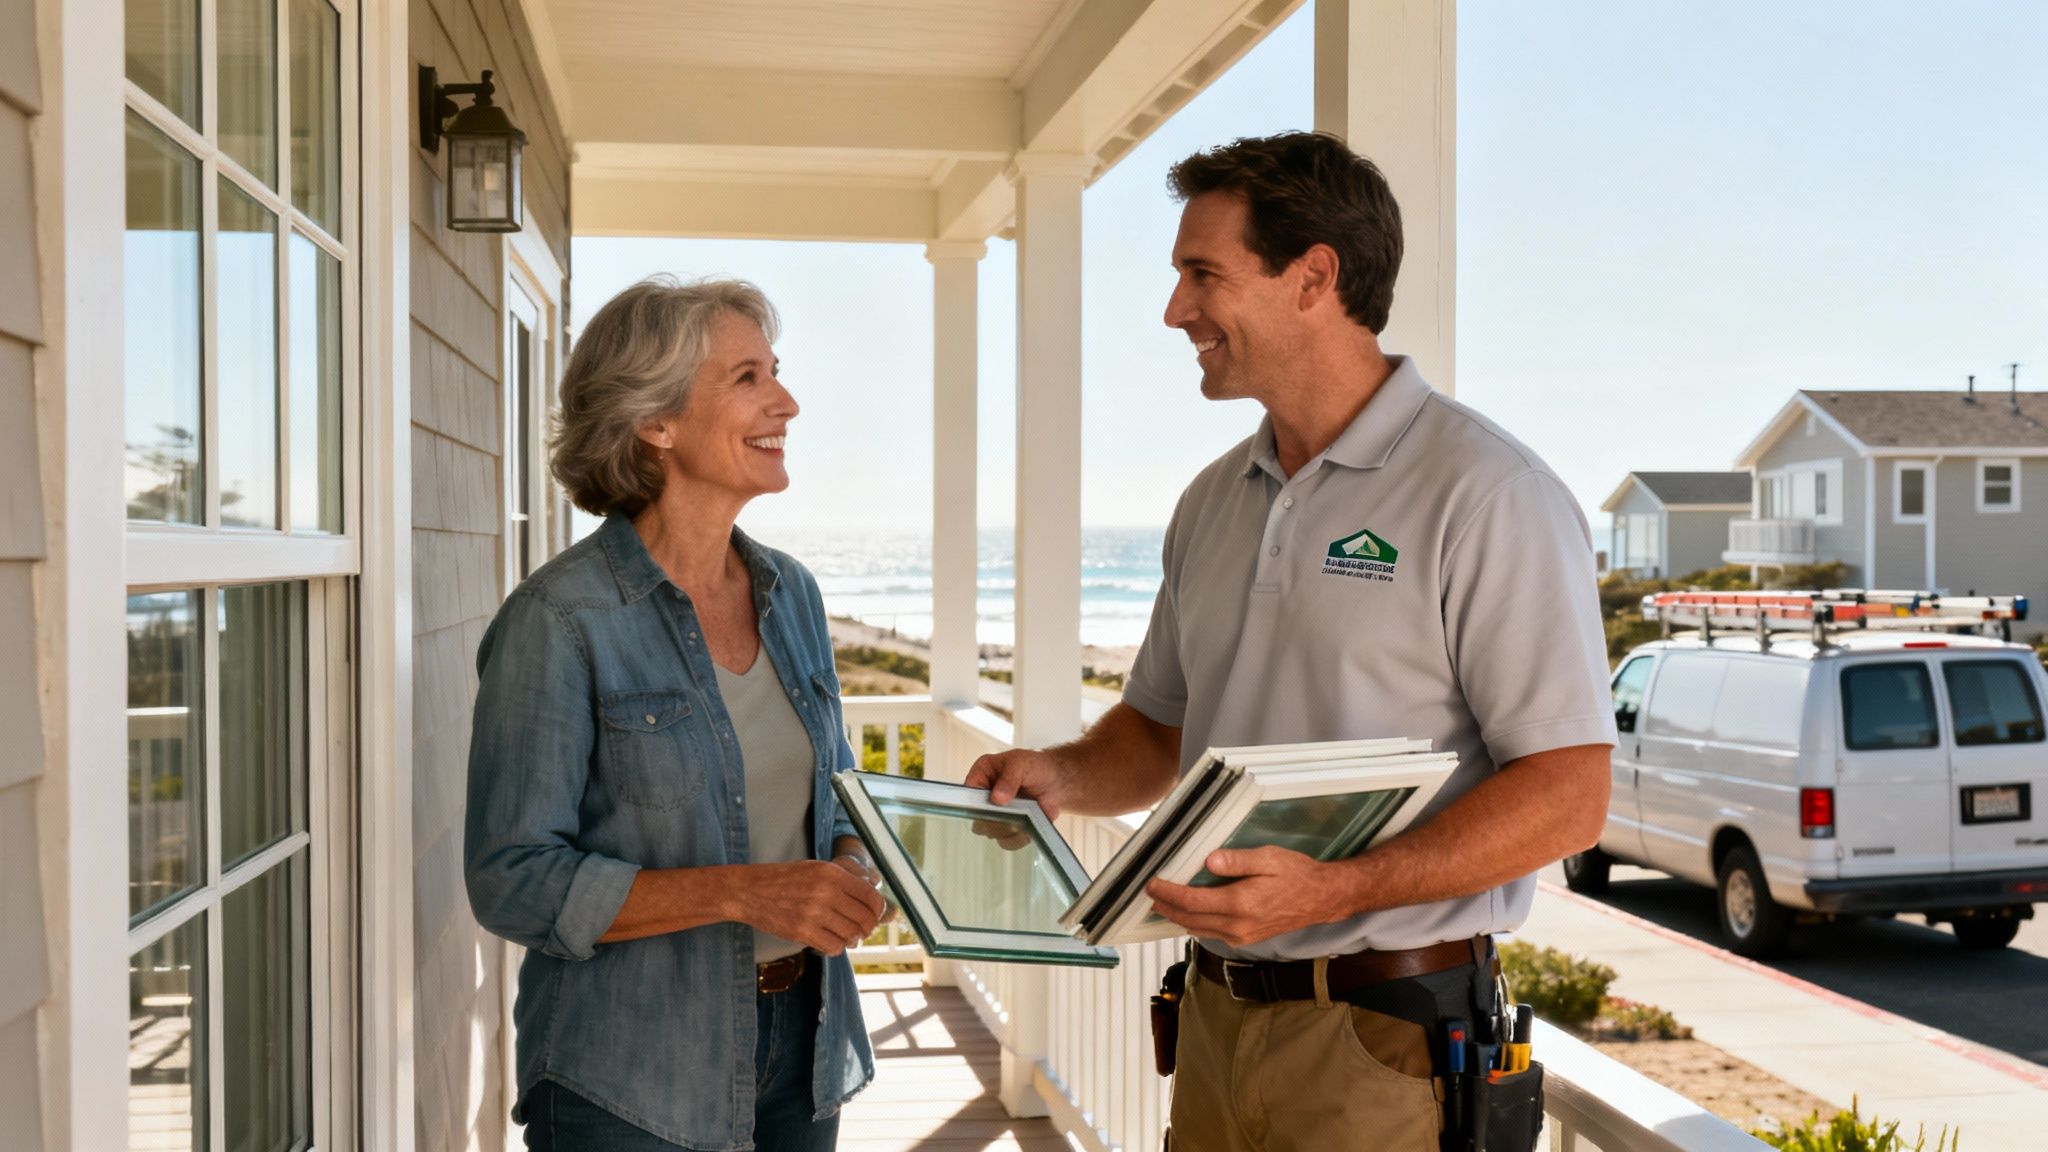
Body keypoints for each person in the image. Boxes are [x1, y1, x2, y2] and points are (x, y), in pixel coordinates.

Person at [967, 132, 1616, 1151]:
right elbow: (1157, 730)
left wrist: (1339, 890)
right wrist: (1055, 774)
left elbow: (1568, 792)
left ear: (1313, 276)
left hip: (1385, 1039)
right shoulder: (1210, 501)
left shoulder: (1488, 494)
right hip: (1215, 1016)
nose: (1176, 309)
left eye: (1201, 274)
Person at [465, 277, 887, 1152]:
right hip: (630, 1077)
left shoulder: (791, 592)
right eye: (747, 378)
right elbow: (513, 878)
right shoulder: (559, 621)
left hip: (803, 1053)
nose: (788, 402)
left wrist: (853, 865)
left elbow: (837, 791)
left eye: (777, 371)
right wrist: (743, 891)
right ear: (655, 422)